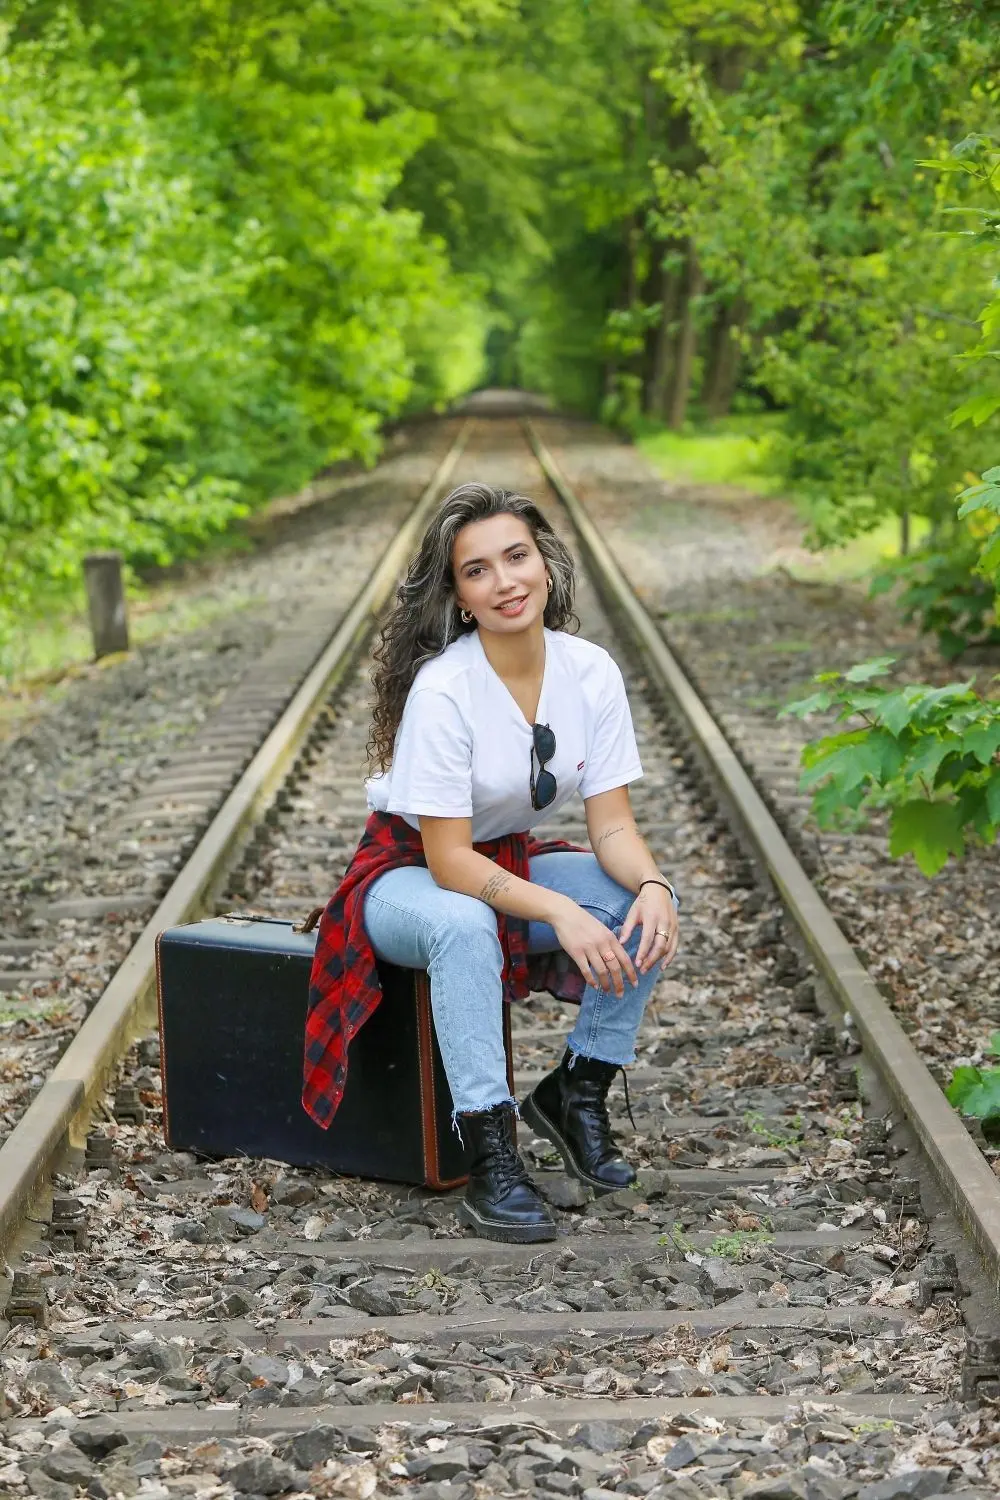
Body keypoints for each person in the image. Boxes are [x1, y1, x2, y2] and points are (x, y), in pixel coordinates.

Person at [302, 482, 679, 1243]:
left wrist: (654, 883)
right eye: (479, 570)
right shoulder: (445, 691)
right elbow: (447, 861)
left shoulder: (591, 672)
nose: (506, 581)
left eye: (517, 557)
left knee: (631, 904)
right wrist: (557, 910)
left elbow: (611, 827)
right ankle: (490, 1155)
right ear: (460, 597)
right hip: (405, 875)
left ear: (546, 565)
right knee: (467, 925)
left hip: (499, 862)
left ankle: (576, 1092)